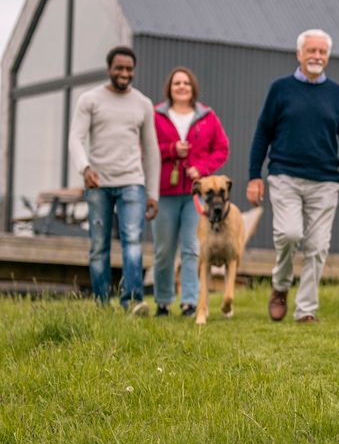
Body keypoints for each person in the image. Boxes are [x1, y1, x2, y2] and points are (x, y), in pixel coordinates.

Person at [246, 29, 339, 323]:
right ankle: (280, 285)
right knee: (289, 234)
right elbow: (263, 132)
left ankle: (306, 310)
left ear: (327, 57)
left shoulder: (338, 95)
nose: (316, 56)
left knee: (318, 246)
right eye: (311, 51)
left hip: (325, 182)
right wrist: (254, 175)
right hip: (284, 176)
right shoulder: (280, 89)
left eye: (322, 52)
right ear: (299, 54)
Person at [68, 45, 161, 313]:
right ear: (109, 69)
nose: (124, 73)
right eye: (119, 68)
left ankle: (131, 301)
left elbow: (152, 150)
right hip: (98, 184)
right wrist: (84, 168)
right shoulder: (90, 100)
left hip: (133, 182)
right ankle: (101, 304)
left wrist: (152, 192)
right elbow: (75, 138)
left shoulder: (143, 104)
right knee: (99, 246)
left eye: (129, 69)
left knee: (132, 240)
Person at [152, 66, 230, 317]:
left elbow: (221, 149)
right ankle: (163, 300)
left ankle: (189, 301)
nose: (182, 87)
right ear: (170, 88)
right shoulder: (156, 115)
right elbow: (147, 148)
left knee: (191, 247)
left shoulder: (207, 117)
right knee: (164, 249)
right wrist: (172, 150)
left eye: (186, 83)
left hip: (195, 197)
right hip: (164, 192)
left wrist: (202, 169)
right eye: (177, 83)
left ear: (193, 87)